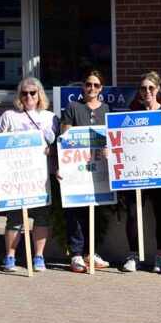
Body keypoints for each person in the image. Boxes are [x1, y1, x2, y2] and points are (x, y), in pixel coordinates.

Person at [0, 77, 59, 273]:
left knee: (42, 217)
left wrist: (53, 151)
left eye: (32, 93)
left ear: (40, 94)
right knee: (15, 218)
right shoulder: (9, 116)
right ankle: (10, 257)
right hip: (17, 177)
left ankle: (38, 256)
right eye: (24, 93)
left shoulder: (51, 118)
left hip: (42, 176)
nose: (28, 96)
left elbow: (60, 146)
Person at [118, 71, 161, 274]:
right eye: (143, 88)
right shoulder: (131, 114)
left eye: (151, 88)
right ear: (139, 92)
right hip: (135, 173)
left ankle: (160, 257)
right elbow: (122, 142)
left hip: (159, 172)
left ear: (158, 90)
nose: (147, 92)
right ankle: (133, 255)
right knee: (133, 214)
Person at [59, 70, 111, 273]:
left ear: (101, 88)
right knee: (75, 212)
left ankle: (91, 252)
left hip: (99, 169)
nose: (92, 88)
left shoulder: (106, 108)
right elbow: (65, 137)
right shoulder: (73, 107)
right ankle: (76, 254)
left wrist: (108, 149)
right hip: (76, 168)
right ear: (82, 86)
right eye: (88, 84)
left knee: (96, 211)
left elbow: (112, 137)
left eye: (96, 85)